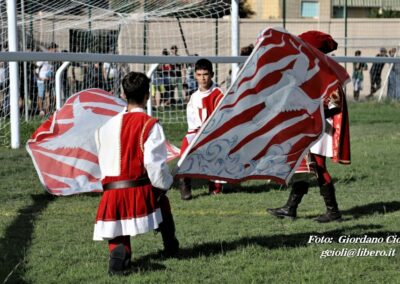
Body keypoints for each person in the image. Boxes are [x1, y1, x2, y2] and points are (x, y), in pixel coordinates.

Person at [93, 71, 179, 275]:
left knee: (119, 211)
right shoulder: (150, 125)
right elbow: (155, 167)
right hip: (138, 191)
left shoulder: (104, 127)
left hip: (110, 194)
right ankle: (171, 245)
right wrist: (167, 183)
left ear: (123, 94)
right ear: (147, 95)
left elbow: (102, 162)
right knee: (161, 197)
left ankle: (118, 257)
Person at [267, 30, 351, 223]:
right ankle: (291, 208)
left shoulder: (328, 75)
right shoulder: (307, 72)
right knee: (304, 166)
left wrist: (315, 115)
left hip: (321, 129)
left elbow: (335, 107)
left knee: (318, 167)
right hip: (309, 127)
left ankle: (333, 211)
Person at [179, 58, 225, 200]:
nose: (202, 78)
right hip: (196, 133)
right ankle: (185, 183)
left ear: (211, 74)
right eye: (199, 75)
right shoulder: (194, 97)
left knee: (216, 151)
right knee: (185, 149)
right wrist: (194, 137)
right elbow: (192, 124)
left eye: (205, 74)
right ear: (195, 75)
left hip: (215, 135)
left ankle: (215, 187)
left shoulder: (220, 94)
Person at [35, 42, 58, 116]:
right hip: (41, 81)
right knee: (41, 95)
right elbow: (35, 69)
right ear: (50, 49)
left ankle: (48, 110)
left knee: (50, 95)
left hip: (50, 80)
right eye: (54, 49)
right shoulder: (43, 58)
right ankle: (41, 110)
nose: (56, 50)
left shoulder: (54, 59)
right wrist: (40, 78)